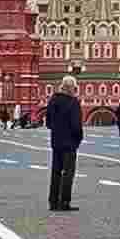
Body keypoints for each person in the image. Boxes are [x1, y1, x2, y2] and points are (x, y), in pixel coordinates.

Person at [45, 78, 84, 210]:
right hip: (69, 143)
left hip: (56, 142)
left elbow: (48, 122)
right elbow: (76, 125)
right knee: (68, 173)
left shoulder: (53, 100)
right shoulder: (73, 102)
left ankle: (53, 202)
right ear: (70, 88)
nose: (75, 90)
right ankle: (64, 202)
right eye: (74, 88)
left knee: (56, 172)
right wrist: (78, 139)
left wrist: (57, 130)